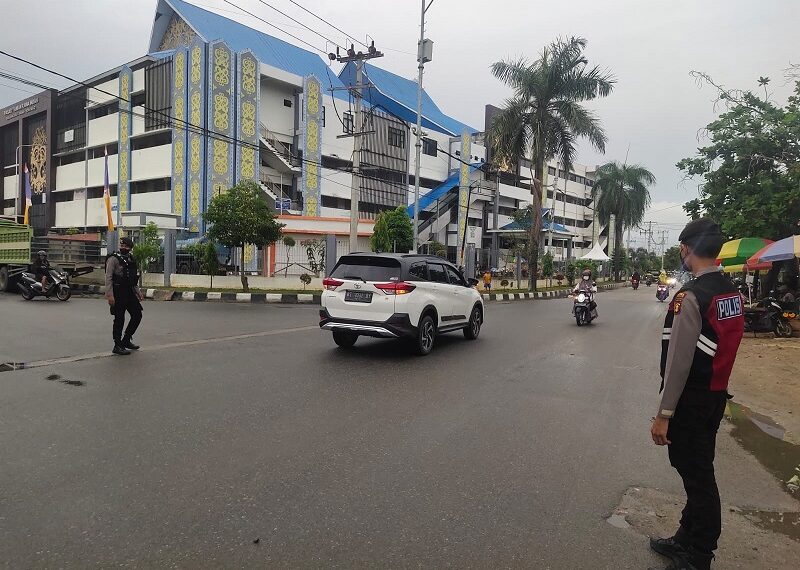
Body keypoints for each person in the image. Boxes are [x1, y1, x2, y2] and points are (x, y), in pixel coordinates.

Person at [649, 218, 744, 570]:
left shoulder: (690, 297)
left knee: (697, 475)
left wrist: (664, 414)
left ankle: (700, 554)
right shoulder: (729, 291)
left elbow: (678, 363)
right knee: (697, 467)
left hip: (690, 400)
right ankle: (685, 537)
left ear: (686, 250)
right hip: (715, 395)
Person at [105, 236, 144, 355]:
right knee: (119, 319)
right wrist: (110, 295)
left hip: (129, 291)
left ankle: (126, 339)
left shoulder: (130, 259)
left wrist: (138, 291)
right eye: (121, 245)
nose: (123, 248)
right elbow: (108, 277)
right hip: (118, 292)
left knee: (137, 314)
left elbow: (132, 279)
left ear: (130, 248)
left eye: (125, 246)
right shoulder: (113, 259)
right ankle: (117, 345)